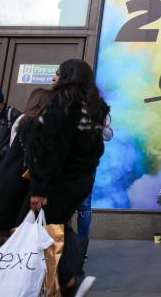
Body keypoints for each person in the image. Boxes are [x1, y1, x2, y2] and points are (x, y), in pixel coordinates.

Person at [26, 59, 109, 297]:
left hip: (60, 179)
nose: (55, 78)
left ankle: (70, 280)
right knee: (56, 226)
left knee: (46, 229)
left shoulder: (64, 101)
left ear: (68, 76)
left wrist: (40, 187)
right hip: (81, 179)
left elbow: (52, 145)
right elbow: (97, 148)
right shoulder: (96, 106)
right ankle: (62, 282)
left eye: (58, 73)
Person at [0, 88, 51, 264]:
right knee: (7, 230)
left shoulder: (21, 119)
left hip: (6, 177)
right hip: (17, 182)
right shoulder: (36, 123)